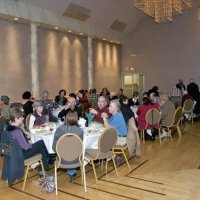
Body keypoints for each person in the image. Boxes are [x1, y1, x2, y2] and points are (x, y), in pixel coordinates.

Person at [7, 108, 49, 175]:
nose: (23, 118)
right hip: (21, 155)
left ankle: (42, 168)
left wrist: (27, 140)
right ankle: (44, 167)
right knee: (41, 142)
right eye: (21, 117)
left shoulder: (7, 128)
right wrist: (30, 143)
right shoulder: (17, 131)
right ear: (16, 119)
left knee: (41, 149)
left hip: (12, 154)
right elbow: (26, 147)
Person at [52, 110, 83, 180]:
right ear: (77, 119)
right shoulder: (80, 131)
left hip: (62, 160)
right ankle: (72, 171)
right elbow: (81, 148)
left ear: (66, 118)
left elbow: (54, 148)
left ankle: (71, 171)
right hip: (76, 160)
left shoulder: (59, 130)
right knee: (72, 151)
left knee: (66, 152)